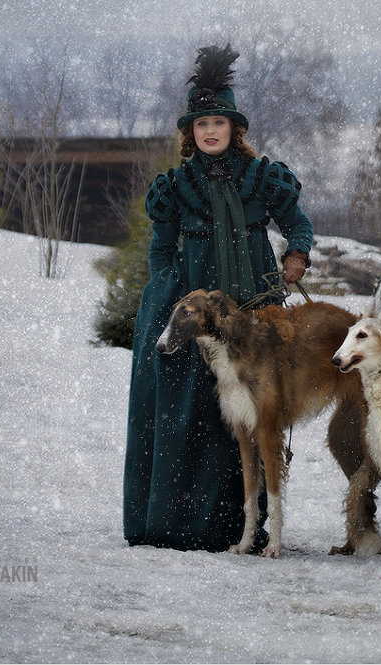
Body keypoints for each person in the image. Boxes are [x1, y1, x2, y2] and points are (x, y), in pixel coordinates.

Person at [123, 44, 314, 552]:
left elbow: (297, 222)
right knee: (197, 409)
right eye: (201, 123)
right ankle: (187, 523)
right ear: (191, 133)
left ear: (234, 129)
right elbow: (161, 251)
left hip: (253, 304)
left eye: (219, 122)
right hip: (197, 310)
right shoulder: (175, 187)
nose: (211, 131)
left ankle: (247, 523)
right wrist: (172, 296)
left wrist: (296, 254)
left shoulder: (261, 178)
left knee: (255, 407)